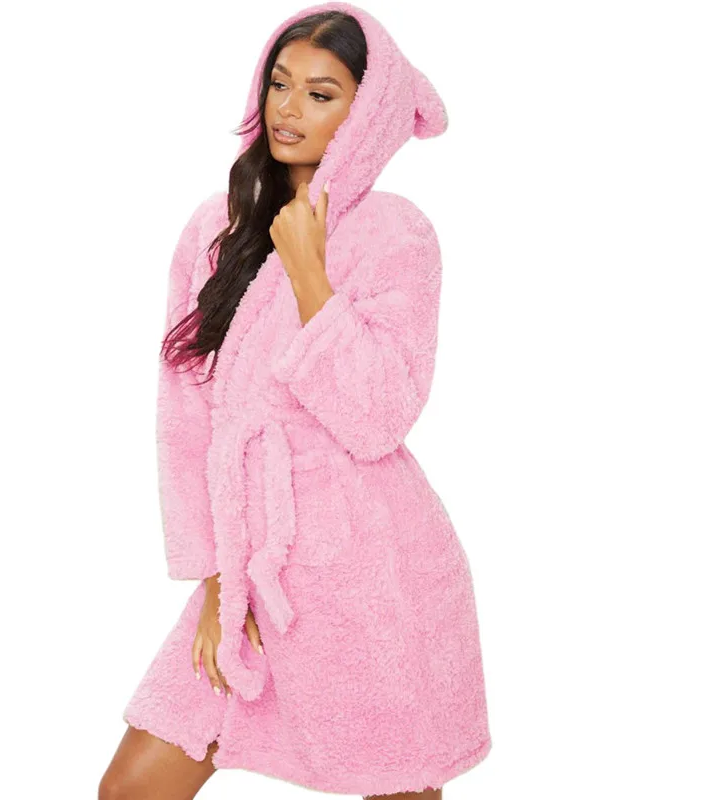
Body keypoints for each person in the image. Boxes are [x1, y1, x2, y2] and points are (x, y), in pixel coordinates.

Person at [99, 3, 492, 798]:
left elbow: (381, 415)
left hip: (368, 564)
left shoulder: (395, 234)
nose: (289, 108)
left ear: (365, 112)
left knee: (398, 785)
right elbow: (184, 419)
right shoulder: (216, 229)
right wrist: (216, 580)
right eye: (280, 84)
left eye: (321, 94)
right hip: (251, 561)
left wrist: (311, 272)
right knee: (132, 787)